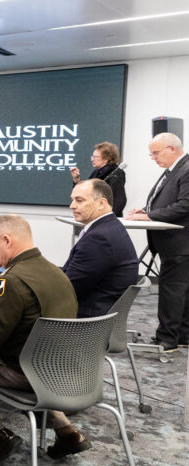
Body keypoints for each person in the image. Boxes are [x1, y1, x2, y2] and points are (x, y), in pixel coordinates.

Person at [0, 215, 86, 466]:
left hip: (24, 372)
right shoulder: (56, 273)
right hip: (61, 369)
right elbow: (33, 315)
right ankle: (66, 430)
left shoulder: (9, 281)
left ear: (7, 240)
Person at [127, 132, 189, 350]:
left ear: (172, 149)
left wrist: (149, 216)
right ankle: (182, 336)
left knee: (173, 292)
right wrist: (146, 210)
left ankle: (166, 339)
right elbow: (168, 201)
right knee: (180, 291)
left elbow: (184, 205)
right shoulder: (175, 169)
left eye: (156, 153)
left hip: (180, 243)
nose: (153, 158)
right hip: (175, 243)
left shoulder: (186, 169)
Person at [63, 179, 139, 318]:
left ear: (101, 203)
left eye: (79, 200)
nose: (72, 206)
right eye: (72, 200)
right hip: (100, 312)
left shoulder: (99, 238)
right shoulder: (110, 226)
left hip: (86, 319)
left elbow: (68, 289)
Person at [70, 141, 126, 216]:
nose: (92, 159)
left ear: (106, 158)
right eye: (92, 157)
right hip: (94, 215)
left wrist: (109, 217)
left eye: (95, 157)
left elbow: (119, 200)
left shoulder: (116, 173)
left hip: (106, 217)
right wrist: (76, 179)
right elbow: (86, 193)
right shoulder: (96, 172)